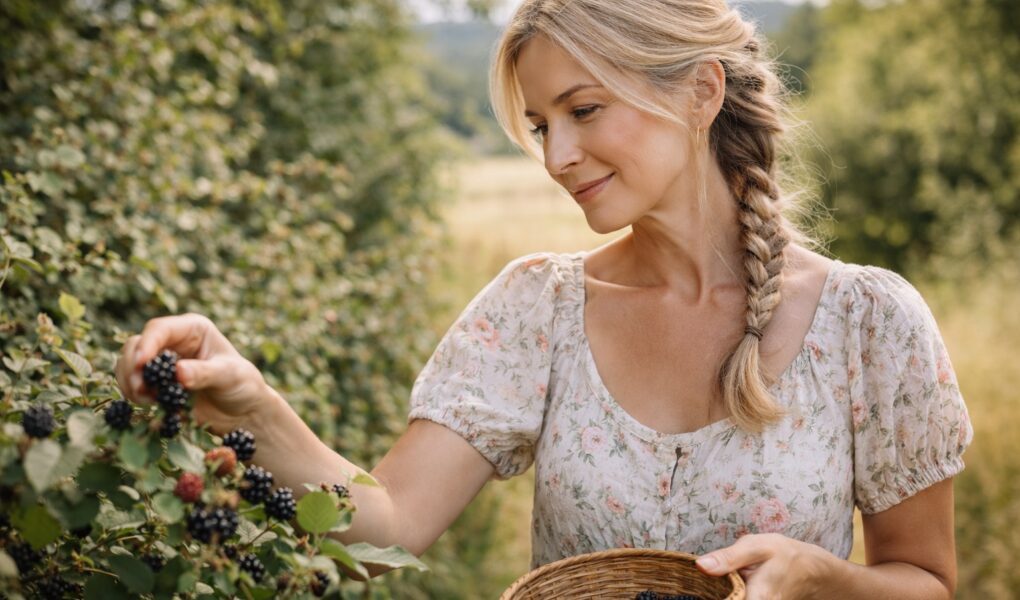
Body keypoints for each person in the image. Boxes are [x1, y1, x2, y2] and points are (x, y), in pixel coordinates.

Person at [115, 0, 973, 597]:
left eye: (584, 109)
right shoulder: (538, 309)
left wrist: (828, 578)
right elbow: (387, 528)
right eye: (539, 125)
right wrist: (253, 405)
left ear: (701, 92)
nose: (557, 154)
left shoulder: (870, 322)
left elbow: (926, 581)